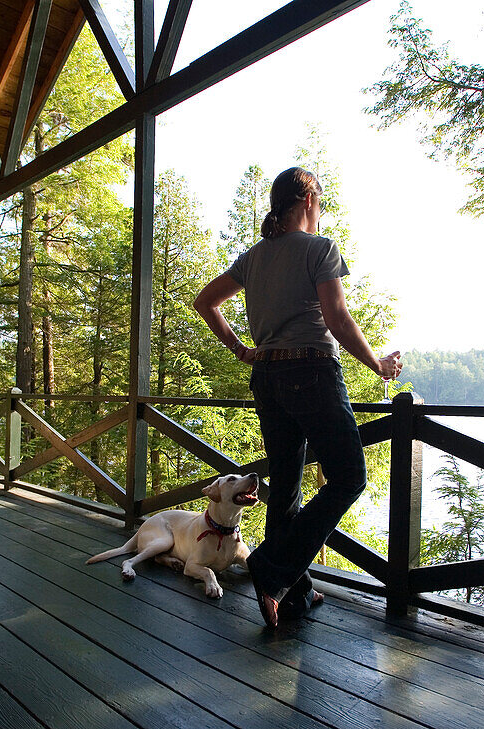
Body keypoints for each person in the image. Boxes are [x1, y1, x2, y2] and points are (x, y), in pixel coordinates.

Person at [193, 166, 401, 628]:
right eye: (320, 200)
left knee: (286, 486)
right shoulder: (321, 249)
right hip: (310, 371)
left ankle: (291, 594)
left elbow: (205, 302)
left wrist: (243, 351)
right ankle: (273, 567)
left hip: (267, 376)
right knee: (348, 477)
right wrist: (379, 366)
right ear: (308, 199)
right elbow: (338, 318)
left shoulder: (253, 257)